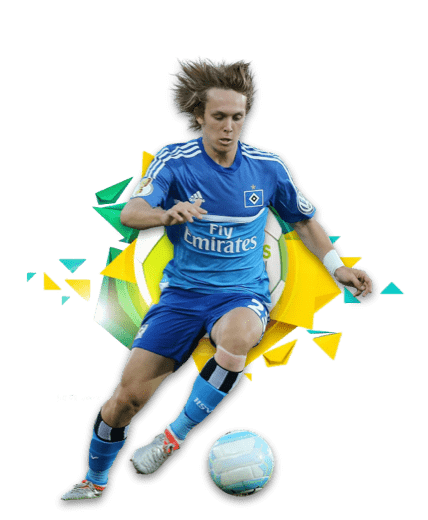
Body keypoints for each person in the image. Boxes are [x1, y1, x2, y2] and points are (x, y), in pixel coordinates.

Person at [60, 59, 373, 502]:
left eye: (237, 117)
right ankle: (94, 480)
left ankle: (173, 437)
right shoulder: (175, 162)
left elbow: (304, 221)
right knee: (125, 402)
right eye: (219, 116)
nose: (229, 127)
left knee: (240, 335)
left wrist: (338, 267)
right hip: (182, 297)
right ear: (199, 117)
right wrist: (166, 213)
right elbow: (132, 212)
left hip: (241, 294)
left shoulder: (268, 167)